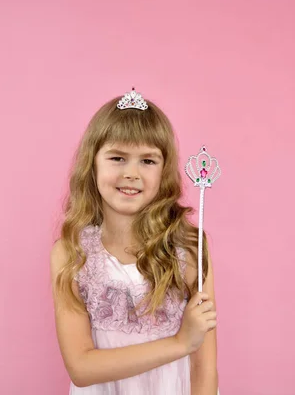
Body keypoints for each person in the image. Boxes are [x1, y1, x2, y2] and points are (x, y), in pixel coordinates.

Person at [50, 89, 219, 394]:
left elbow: (204, 368)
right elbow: (81, 369)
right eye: (117, 158)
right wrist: (180, 342)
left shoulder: (190, 249)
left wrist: (191, 344)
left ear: (164, 170)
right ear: (93, 163)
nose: (131, 173)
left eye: (148, 161)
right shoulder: (71, 253)